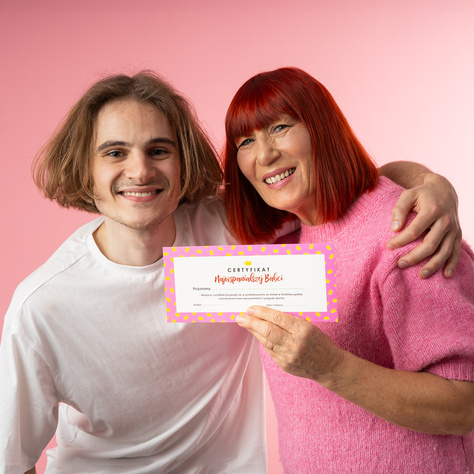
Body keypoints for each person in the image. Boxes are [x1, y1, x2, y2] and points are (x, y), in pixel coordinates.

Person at [0, 70, 463, 474]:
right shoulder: (41, 306)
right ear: (83, 168)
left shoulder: (234, 230)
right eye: (115, 153)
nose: (140, 171)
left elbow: (344, 195)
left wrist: (431, 185)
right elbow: (11, 459)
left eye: (158, 150)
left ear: (183, 163)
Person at [223, 67, 474, 473]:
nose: (264, 154)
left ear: (322, 127)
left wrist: (332, 368)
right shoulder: (285, 234)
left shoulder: (406, 234)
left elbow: (464, 404)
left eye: (280, 127)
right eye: (246, 141)